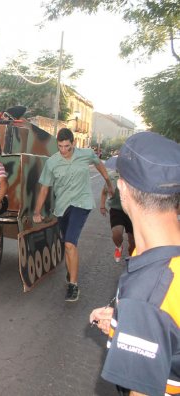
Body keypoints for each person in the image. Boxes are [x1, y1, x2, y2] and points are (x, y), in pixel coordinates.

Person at [89, 132, 180, 396]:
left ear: (124, 189)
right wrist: (126, 327)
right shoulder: (156, 253)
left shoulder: (148, 296)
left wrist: (139, 321)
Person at [33, 128, 114, 302]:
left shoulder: (86, 154)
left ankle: (73, 285)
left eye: (67, 147)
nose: (63, 150)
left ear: (73, 144)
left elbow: (99, 164)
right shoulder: (52, 162)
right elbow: (44, 188)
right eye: (60, 146)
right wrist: (37, 211)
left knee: (70, 243)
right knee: (67, 244)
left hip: (81, 203)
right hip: (62, 206)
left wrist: (108, 182)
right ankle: (72, 270)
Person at [99, 169, 135, 262]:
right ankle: (118, 247)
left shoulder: (135, 176)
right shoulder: (111, 177)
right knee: (116, 234)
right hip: (117, 210)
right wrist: (102, 206)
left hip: (132, 211)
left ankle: (132, 259)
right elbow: (104, 192)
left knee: (133, 242)